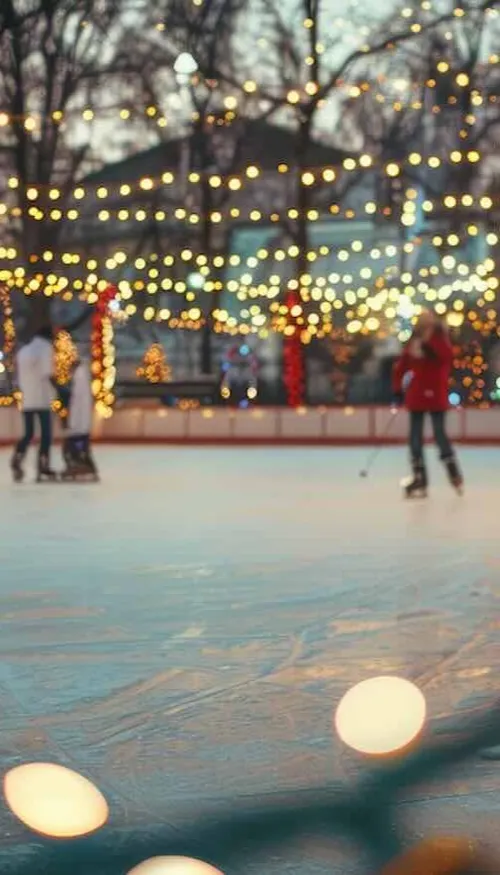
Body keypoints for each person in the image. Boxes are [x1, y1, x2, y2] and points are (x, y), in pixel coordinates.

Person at [392, 310, 463, 498]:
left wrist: (429, 349)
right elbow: (401, 366)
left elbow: (446, 357)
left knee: (439, 434)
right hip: (416, 396)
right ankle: (419, 477)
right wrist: (398, 389)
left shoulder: (440, 339)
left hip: (435, 394)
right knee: (415, 437)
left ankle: (453, 473)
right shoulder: (414, 341)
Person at [11, 325, 57, 482]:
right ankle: (42, 466)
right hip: (42, 398)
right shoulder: (46, 348)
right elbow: (48, 373)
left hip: (27, 399)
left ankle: (17, 459)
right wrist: (61, 390)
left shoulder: (24, 351)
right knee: (46, 435)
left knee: (28, 434)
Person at [62, 355, 98, 481]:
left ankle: (80, 466)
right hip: (81, 424)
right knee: (82, 448)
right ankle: (87, 466)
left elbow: (77, 403)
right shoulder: (81, 376)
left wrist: (72, 424)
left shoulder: (80, 377)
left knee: (74, 448)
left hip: (79, 425)